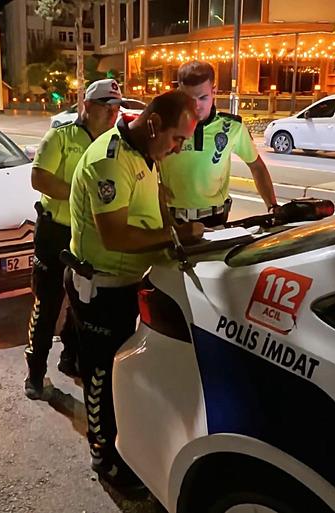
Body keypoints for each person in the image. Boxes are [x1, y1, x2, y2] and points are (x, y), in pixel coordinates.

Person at [65, 90, 204, 489]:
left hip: (132, 282)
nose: (179, 149)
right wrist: (175, 236)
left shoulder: (145, 151)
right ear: (154, 125)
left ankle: (126, 446)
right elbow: (115, 236)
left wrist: (172, 228)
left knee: (126, 374)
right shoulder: (108, 160)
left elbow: (156, 198)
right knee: (101, 375)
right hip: (102, 286)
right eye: (177, 139)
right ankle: (103, 456)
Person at [24, 79, 122, 400]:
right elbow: (39, 177)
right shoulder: (61, 136)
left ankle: (70, 357)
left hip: (89, 236)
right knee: (48, 304)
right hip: (56, 233)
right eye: (106, 107)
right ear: (87, 106)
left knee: (84, 304)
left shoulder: (114, 142)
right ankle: (35, 372)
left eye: (116, 108)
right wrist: (80, 193)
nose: (112, 114)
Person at [160, 61, 278, 227]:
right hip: (168, 219)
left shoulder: (232, 127)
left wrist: (272, 206)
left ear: (213, 91)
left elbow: (257, 166)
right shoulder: (163, 125)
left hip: (214, 219)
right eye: (189, 98)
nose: (196, 106)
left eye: (203, 97)